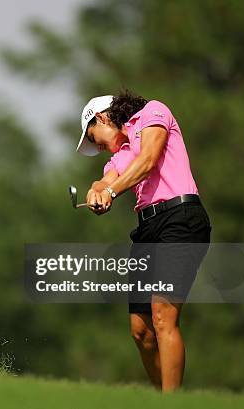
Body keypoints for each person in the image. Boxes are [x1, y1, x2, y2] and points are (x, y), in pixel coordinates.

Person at [75, 90, 211, 392]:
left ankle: (171, 403)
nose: (95, 146)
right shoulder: (118, 157)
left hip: (181, 218)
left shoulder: (152, 113)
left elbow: (148, 160)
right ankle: (161, 397)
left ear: (101, 118)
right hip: (148, 229)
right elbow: (105, 181)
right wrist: (95, 192)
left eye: (93, 137)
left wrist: (110, 193)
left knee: (163, 316)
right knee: (141, 331)